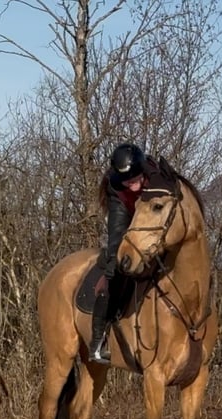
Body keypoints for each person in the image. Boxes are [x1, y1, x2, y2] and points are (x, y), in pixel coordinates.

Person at [89, 142, 158, 364]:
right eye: (128, 180)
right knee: (116, 268)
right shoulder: (117, 190)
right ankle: (98, 341)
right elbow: (118, 231)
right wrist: (117, 257)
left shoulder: (155, 175)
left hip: (154, 226)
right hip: (127, 225)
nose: (133, 183)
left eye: (136, 177)